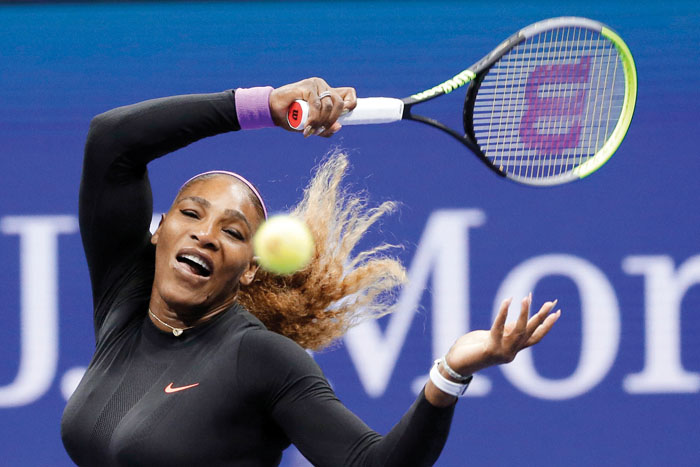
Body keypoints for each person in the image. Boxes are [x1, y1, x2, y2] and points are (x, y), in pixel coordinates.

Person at [61, 77, 560, 466]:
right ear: (159, 231)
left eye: (232, 232)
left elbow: (371, 464)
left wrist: (449, 374)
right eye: (191, 214)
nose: (205, 235)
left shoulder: (259, 358)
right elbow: (111, 138)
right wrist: (262, 106)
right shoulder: (126, 297)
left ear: (250, 270)